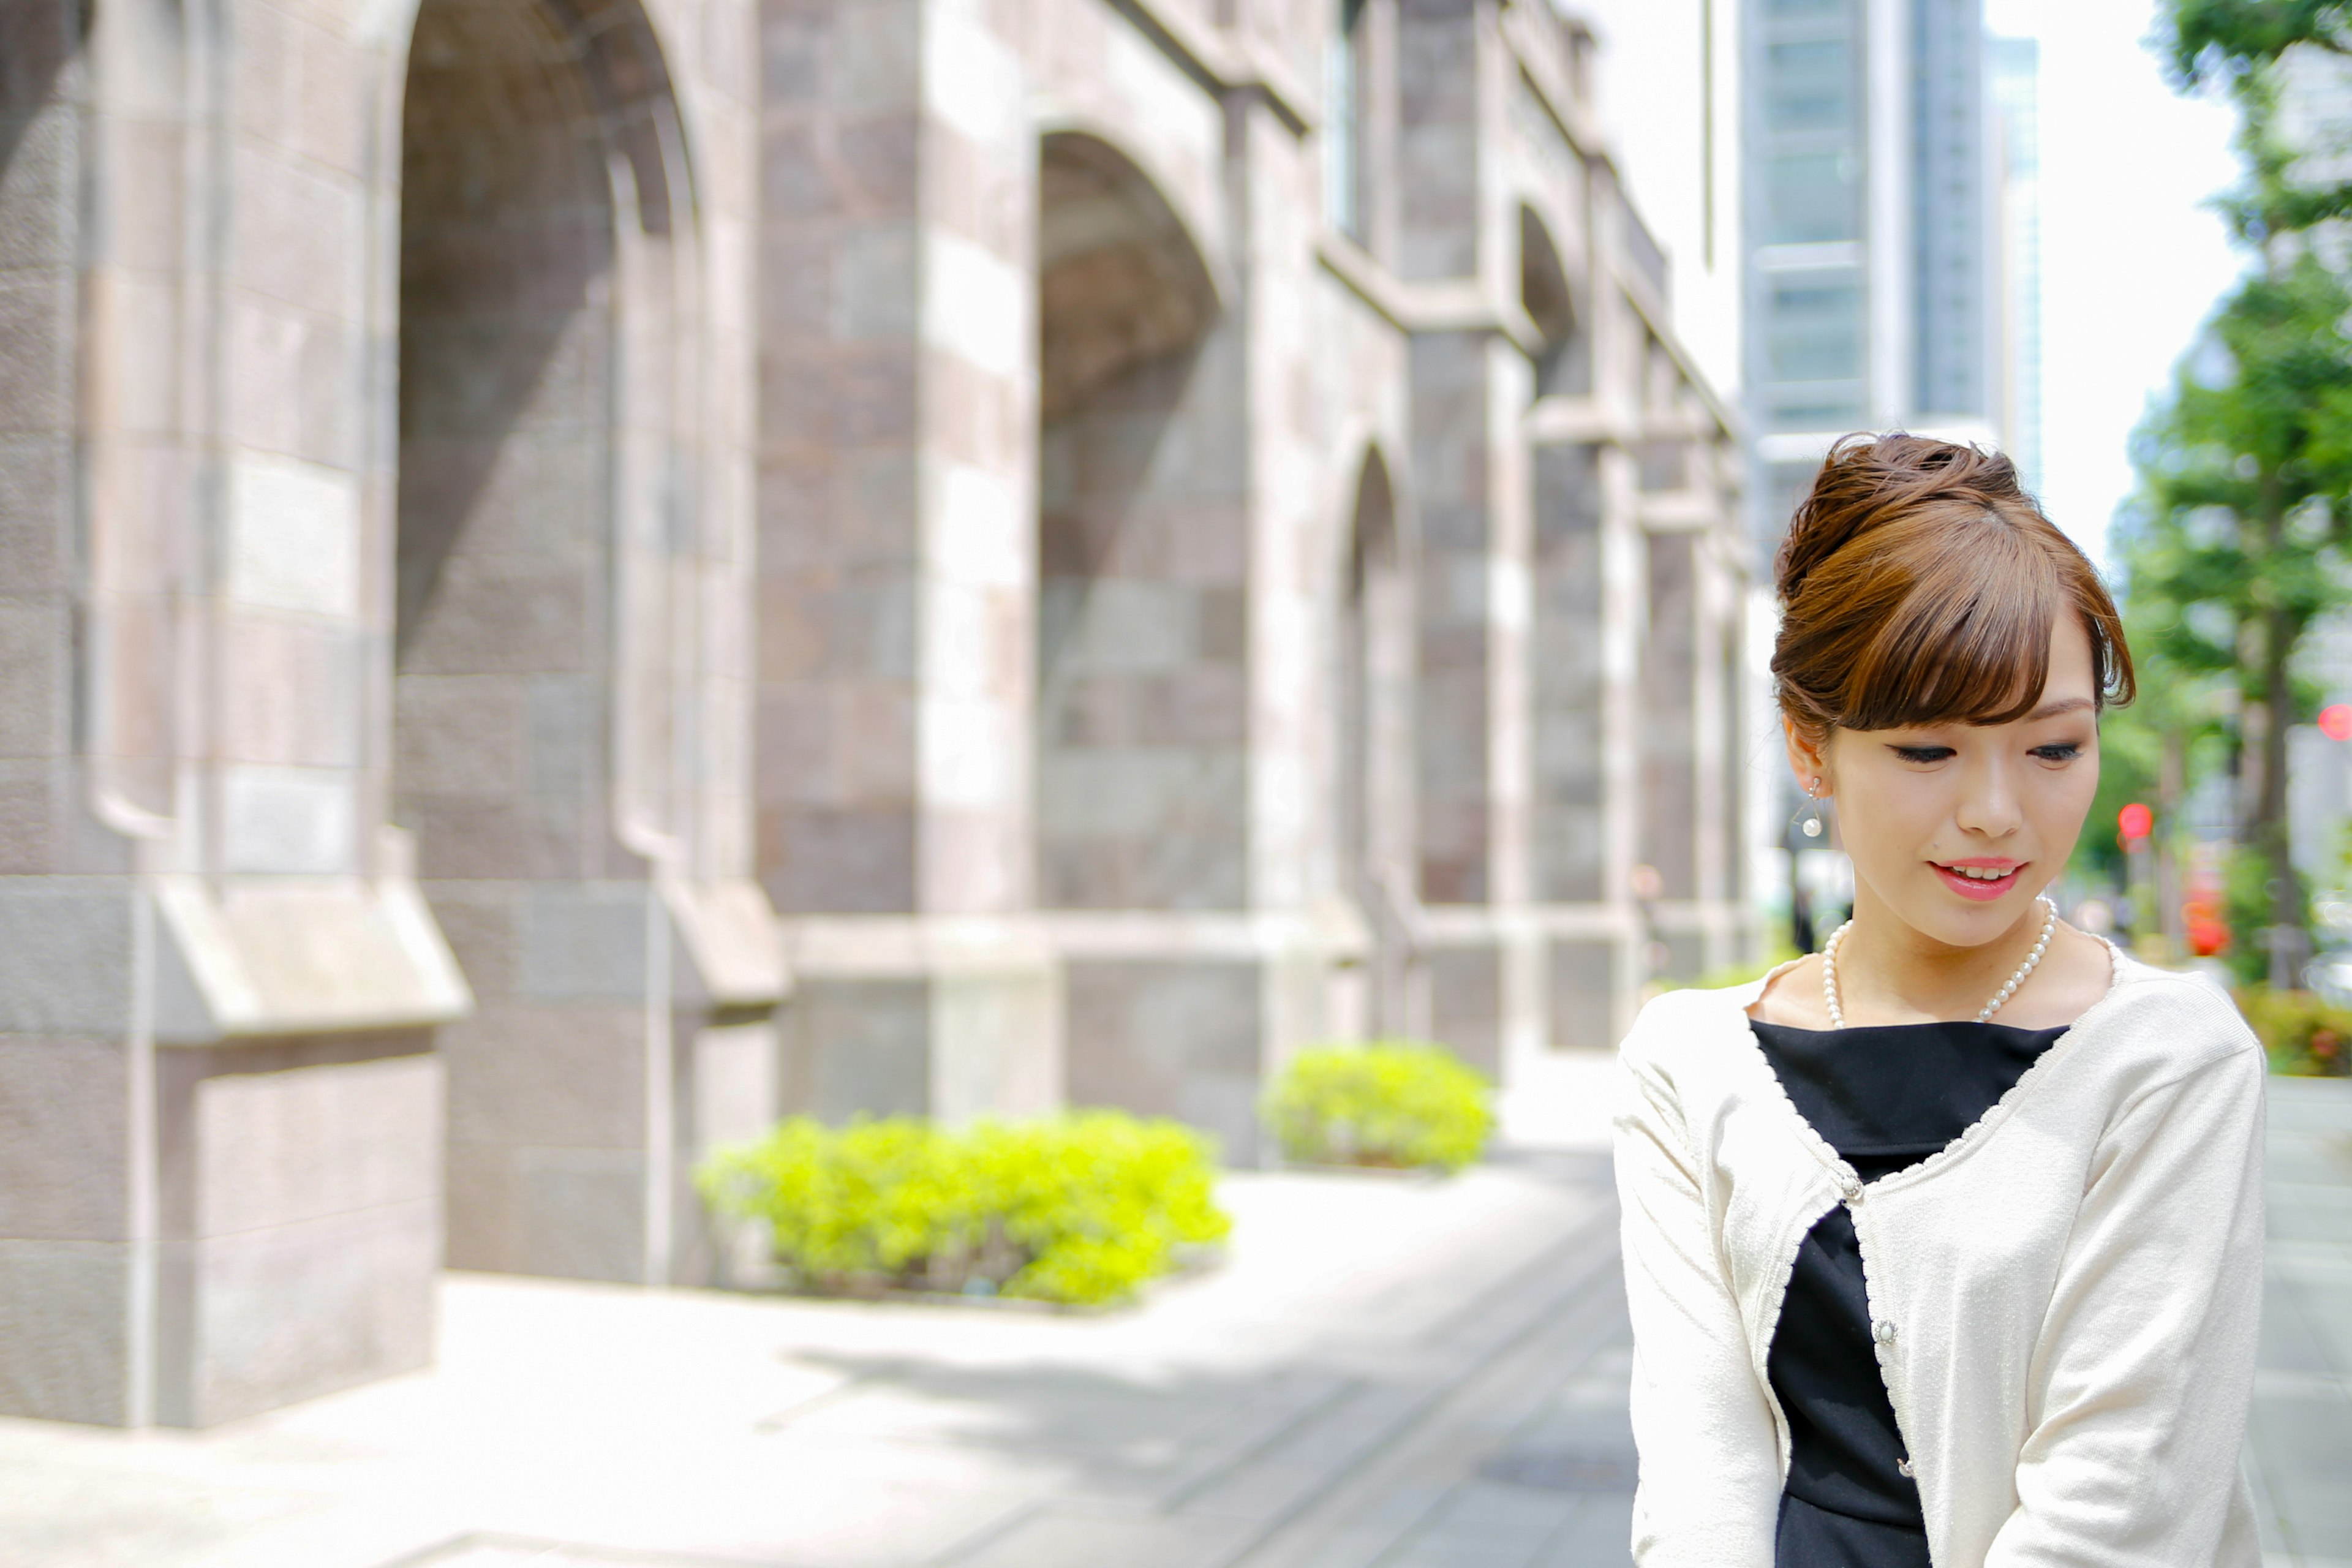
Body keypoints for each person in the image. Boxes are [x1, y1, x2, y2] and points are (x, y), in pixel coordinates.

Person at [1613, 435, 2265, 1566]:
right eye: (1928, 751)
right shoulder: (1691, 1062)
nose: (1998, 811)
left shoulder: (2168, 1059)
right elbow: (1698, 1464)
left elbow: (2123, 1500)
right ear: (1810, 750)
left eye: (2054, 748)